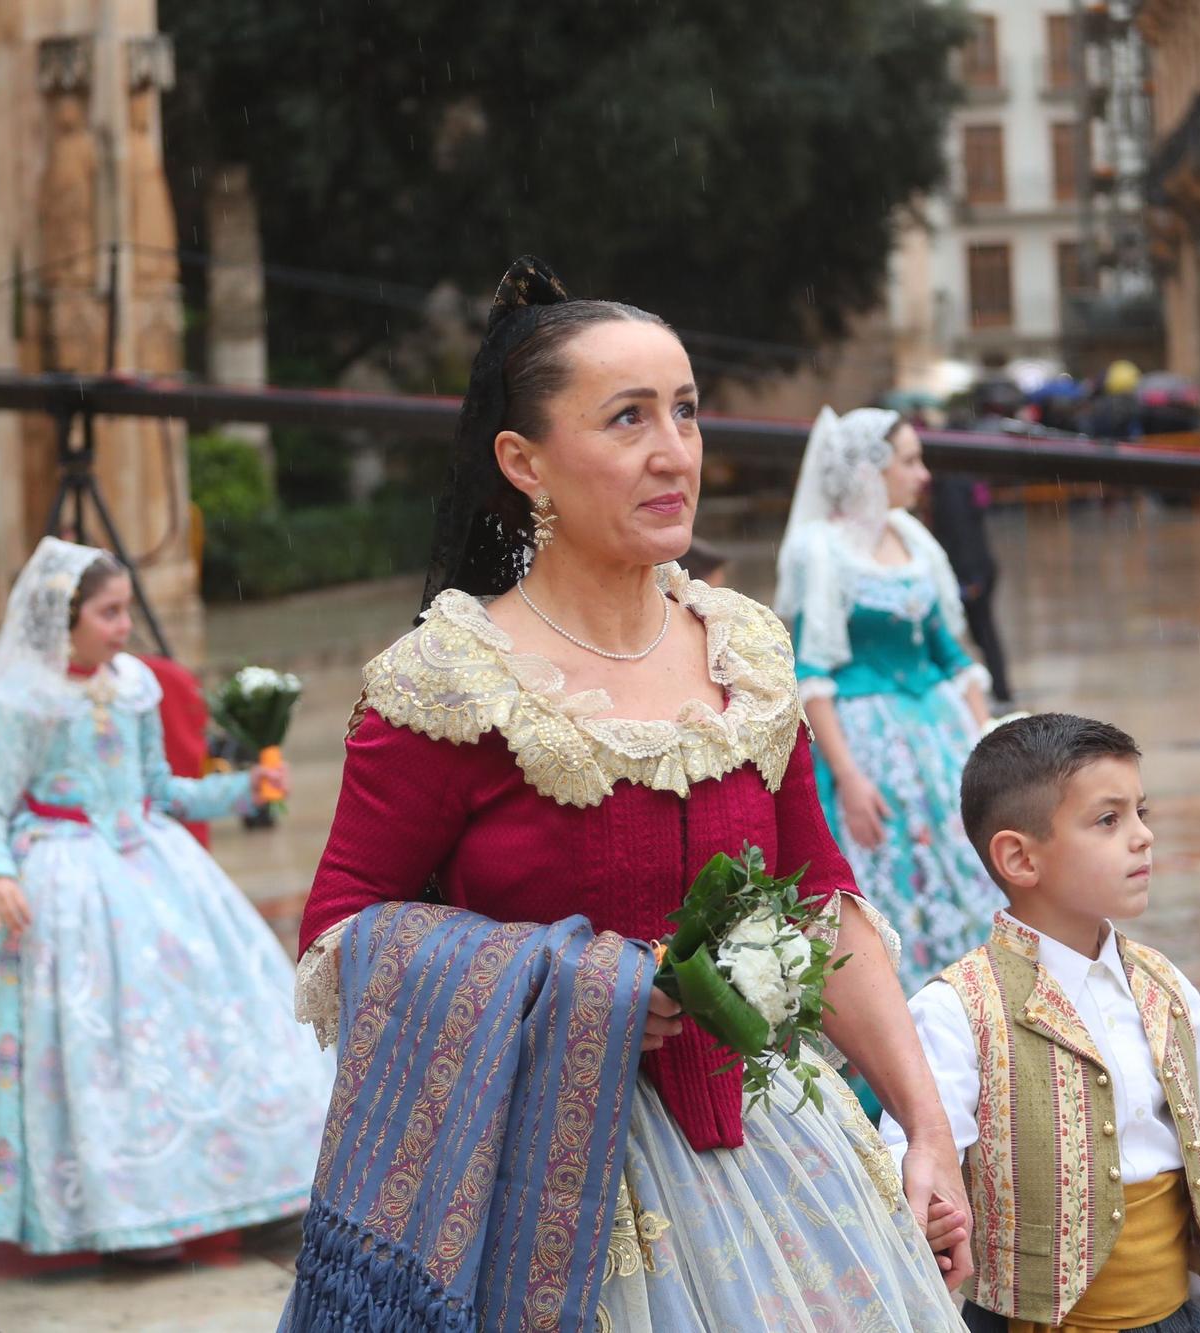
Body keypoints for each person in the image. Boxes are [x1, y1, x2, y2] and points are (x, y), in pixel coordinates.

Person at [284, 258, 969, 1331]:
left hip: (781, 1147)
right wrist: (580, 979)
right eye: (625, 419)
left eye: (686, 412)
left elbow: (821, 902)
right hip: (543, 1186)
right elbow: (340, 937)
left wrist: (925, 1124)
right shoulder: (449, 681)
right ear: (524, 461)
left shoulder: (745, 648)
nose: (673, 453)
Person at [0, 536, 331, 1258]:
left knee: (212, 1017)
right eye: (109, 613)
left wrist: (242, 788)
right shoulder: (26, 696)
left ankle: (264, 1181)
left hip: (149, 860)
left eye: (123, 611)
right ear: (64, 618)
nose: (123, 626)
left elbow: (159, 789)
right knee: (100, 1039)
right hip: (64, 874)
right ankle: (129, 1209)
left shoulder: (135, 684)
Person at [882, 714, 1200, 1333]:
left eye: (1141, 813)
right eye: (1109, 820)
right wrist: (929, 1216)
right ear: (1019, 857)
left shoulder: (1167, 991)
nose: (1143, 837)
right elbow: (913, 1166)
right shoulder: (956, 1010)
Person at [774, 405, 1001, 997]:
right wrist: (847, 777)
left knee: (971, 866)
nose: (922, 474)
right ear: (871, 470)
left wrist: (987, 740)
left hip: (942, 737)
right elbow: (812, 670)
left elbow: (950, 653)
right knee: (890, 879)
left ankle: (979, 1008)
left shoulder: (916, 539)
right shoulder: (821, 550)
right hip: (866, 745)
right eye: (909, 460)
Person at [928, 470, 1014, 705]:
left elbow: (961, 536)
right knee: (983, 633)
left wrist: (971, 579)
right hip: (979, 569)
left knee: (983, 633)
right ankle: (1000, 689)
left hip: (972, 574)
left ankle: (1001, 690)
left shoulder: (951, 489)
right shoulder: (963, 482)